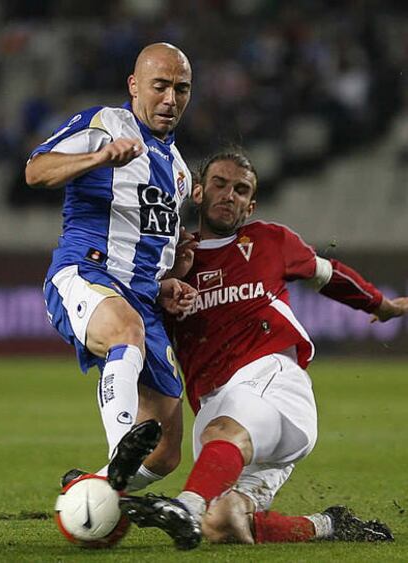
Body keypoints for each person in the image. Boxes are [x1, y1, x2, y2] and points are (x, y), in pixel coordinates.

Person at [120, 149, 405, 548]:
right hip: (215, 410)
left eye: (241, 190)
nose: (229, 194)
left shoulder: (270, 240)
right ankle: (328, 524)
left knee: (220, 447)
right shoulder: (168, 261)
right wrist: (166, 285)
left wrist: (382, 304)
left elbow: (329, 275)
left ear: (250, 205)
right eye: (220, 184)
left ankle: (184, 504)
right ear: (198, 193)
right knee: (221, 522)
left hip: (272, 382)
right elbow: (137, 322)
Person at [25, 43, 198, 504]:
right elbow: (35, 171)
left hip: (141, 300)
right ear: (134, 85)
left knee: (165, 450)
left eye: (181, 89)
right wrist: (98, 159)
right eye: (160, 86)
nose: (170, 99)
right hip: (84, 272)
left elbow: (151, 249)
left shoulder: (179, 171)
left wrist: (167, 284)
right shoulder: (104, 124)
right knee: (126, 330)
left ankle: (97, 494)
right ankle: (120, 446)